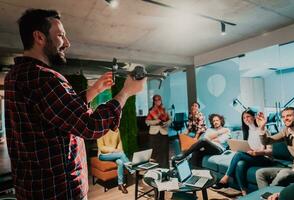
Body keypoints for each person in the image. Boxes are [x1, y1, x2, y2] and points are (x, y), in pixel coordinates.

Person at [4, 9, 146, 200]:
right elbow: (90, 126)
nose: (67, 43)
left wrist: (93, 90)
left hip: (33, 188)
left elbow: (60, 113)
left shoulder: (16, 74)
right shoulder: (44, 78)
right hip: (60, 191)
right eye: (61, 35)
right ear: (39, 37)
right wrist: (125, 92)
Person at [213, 109, 273, 196]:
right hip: (254, 156)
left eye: (248, 116)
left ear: (254, 117)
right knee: (240, 164)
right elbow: (249, 146)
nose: (246, 119)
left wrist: (257, 152)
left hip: (265, 159)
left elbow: (269, 151)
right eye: (244, 118)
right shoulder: (248, 131)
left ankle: (225, 178)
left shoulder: (263, 130)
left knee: (239, 154)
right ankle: (244, 192)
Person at [255, 107, 294, 189]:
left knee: (284, 173)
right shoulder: (286, 131)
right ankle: (264, 195)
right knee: (260, 173)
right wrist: (261, 128)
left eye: (289, 115)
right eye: (283, 117)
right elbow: (267, 141)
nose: (285, 119)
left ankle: (268, 194)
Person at [97, 129, 133, 194]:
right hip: (103, 155)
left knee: (120, 162)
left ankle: (120, 184)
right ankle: (132, 169)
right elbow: (101, 147)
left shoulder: (116, 130)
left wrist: (119, 151)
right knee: (121, 154)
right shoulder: (101, 130)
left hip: (114, 154)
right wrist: (114, 150)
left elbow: (119, 142)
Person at [146, 94, 171, 168]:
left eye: (159, 99)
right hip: (154, 133)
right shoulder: (151, 110)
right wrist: (156, 121)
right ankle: (155, 169)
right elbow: (147, 121)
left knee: (164, 151)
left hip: (164, 132)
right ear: (153, 101)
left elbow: (170, 119)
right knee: (154, 152)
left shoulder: (165, 109)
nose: (157, 101)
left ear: (161, 100)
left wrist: (166, 123)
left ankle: (165, 168)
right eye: (155, 100)